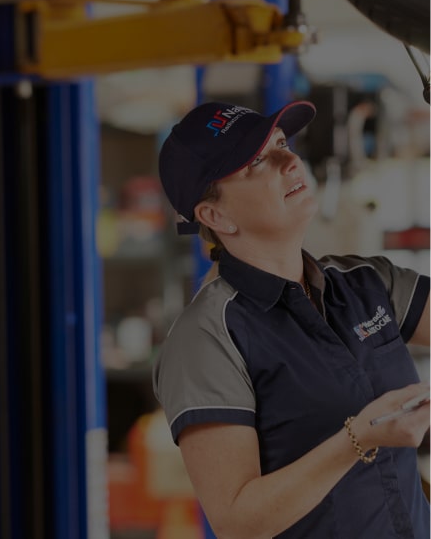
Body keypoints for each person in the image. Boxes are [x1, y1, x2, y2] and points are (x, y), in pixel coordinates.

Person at [152, 99, 430, 539]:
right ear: (214, 215)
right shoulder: (207, 336)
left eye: (281, 142)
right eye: (256, 161)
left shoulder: (364, 282)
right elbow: (237, 521)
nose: (289, 159)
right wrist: (359, 438)